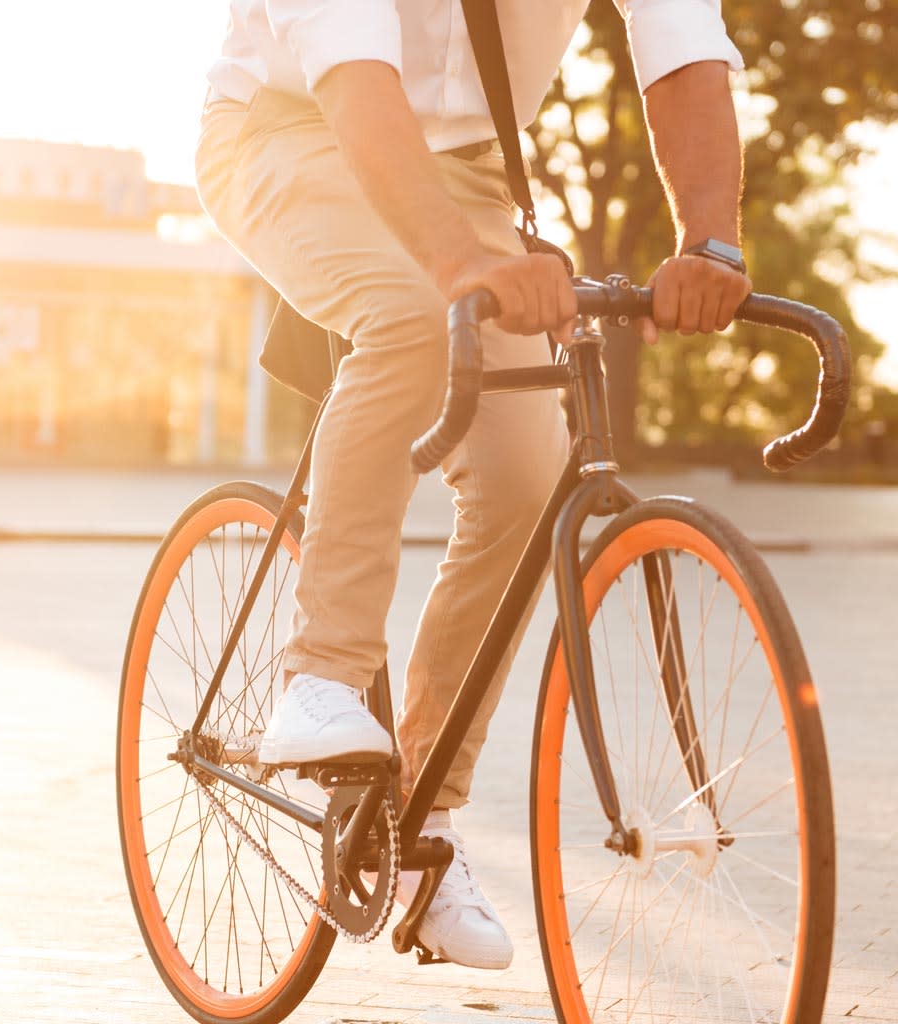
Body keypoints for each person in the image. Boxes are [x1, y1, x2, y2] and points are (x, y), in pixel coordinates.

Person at [194, 0, 753, 969]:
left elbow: (682, 44)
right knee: (409, 316)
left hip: (470, 169)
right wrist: (456, 261)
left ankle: (420, 821)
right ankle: (320, 676)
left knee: (529, 479)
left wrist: (710, 240)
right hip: (289, 131)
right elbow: (349, 67)